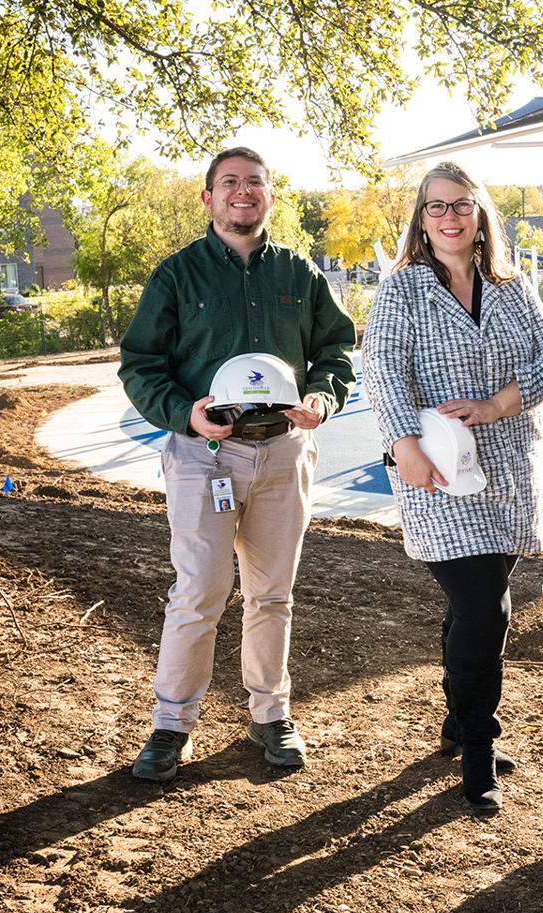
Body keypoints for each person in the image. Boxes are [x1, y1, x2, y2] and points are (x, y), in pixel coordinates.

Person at [118, 147, 356, 781]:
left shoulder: (301, 273)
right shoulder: (176, 276)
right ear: (209, 198)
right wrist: (182, 414)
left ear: (270, 196)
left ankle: (270, 716)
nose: (242, 193)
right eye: (230, 184)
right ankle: (170, 725)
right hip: (205, 455)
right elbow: (140, 364)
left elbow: (336, 350)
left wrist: (322, 397)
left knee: (271, 593)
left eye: (255, 182)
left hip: (283, 452)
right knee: (198, 591)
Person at [362, 162, 543, 813]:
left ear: (480, 217)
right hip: (437, 475)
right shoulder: (404, 290)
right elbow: (381, 369)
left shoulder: (512, 286)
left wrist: (502, 401)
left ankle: (456, 716)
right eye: (437, 207)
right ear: (421, 219)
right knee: (485, 609)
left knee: (473, 607)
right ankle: (479, 747)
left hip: (508, 472)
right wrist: (403, 446)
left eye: (462, 206)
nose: (449, 217)